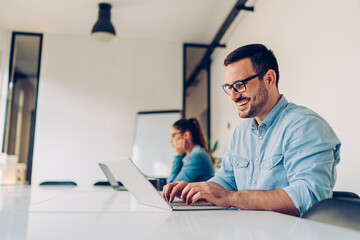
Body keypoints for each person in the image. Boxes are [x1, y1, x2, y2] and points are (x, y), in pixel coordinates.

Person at [163, 44, 341, 216]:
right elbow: (227, 180)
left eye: (240, 85)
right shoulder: (241, 133)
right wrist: (194, 191)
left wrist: (230, 198)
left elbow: (310, 196)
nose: (233, 96)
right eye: (229, 87)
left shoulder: (304, 126)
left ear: (269, 79)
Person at [168, 118, 215, 183]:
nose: (171, 141)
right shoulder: (194, 155)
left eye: (173, 136)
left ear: (186, 135)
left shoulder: (197, 157)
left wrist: (178, 154)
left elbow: (171, 187)